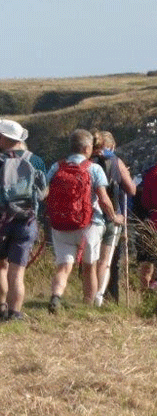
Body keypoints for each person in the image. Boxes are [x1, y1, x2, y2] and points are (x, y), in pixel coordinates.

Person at [0, 117, 47, 321]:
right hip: (27, 221)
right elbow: (44, 192)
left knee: (0, 266)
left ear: (4, 139)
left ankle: (0, 309)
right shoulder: (36, 160)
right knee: (17, 271)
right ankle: (15, 313)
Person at [45, 129, 124, 313]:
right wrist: (114, 217)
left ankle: (56, 297)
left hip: (61, 225)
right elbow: (104, 199)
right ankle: (88, 306)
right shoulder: (94, 168)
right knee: (90, 267)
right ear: (88, 148)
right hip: (89, 224)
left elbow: (45, 193)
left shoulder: (56, 167)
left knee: (63, 266)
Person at [91, 131, 136, 306]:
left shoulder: (86, 160)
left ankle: (89, 296)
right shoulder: (116, 162)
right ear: (111, 146)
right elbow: (131, 190)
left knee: (90, 261)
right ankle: (103, 299)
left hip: (88, 216)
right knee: (106, 261)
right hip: (110, 216)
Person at [135, 164, 157, 290]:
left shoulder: (151, 172)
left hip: (151, 223)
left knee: (147, 262)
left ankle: (145, 297)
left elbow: (145, 201)